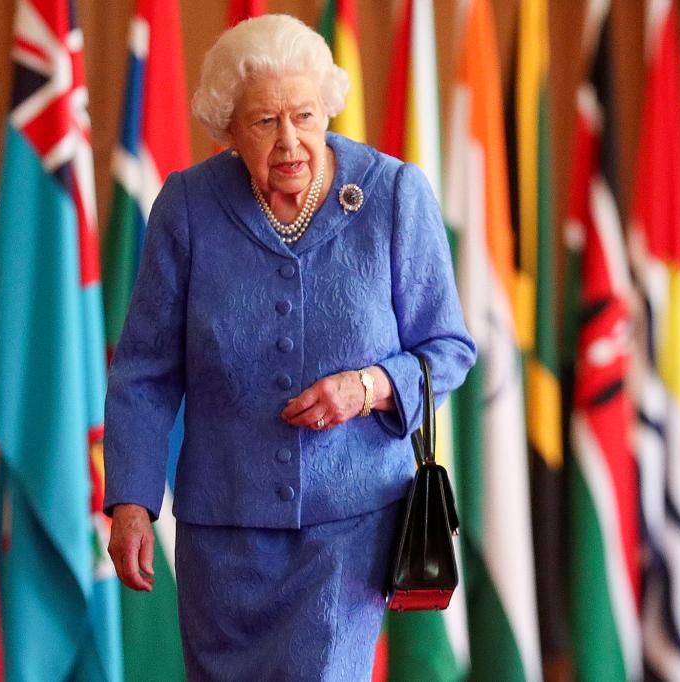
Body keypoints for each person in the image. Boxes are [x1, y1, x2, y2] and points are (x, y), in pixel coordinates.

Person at [104, 14, 475, 680]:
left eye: (304, 116)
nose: (289, 142)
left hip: (349, 525)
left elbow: (447, 349)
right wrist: (131, 502)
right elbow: (145, 371)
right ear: (226, 127)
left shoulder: (394, 195)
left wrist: (367, 387)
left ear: (327, 108)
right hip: (223, 531)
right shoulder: (187, 205)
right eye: (264, 122)